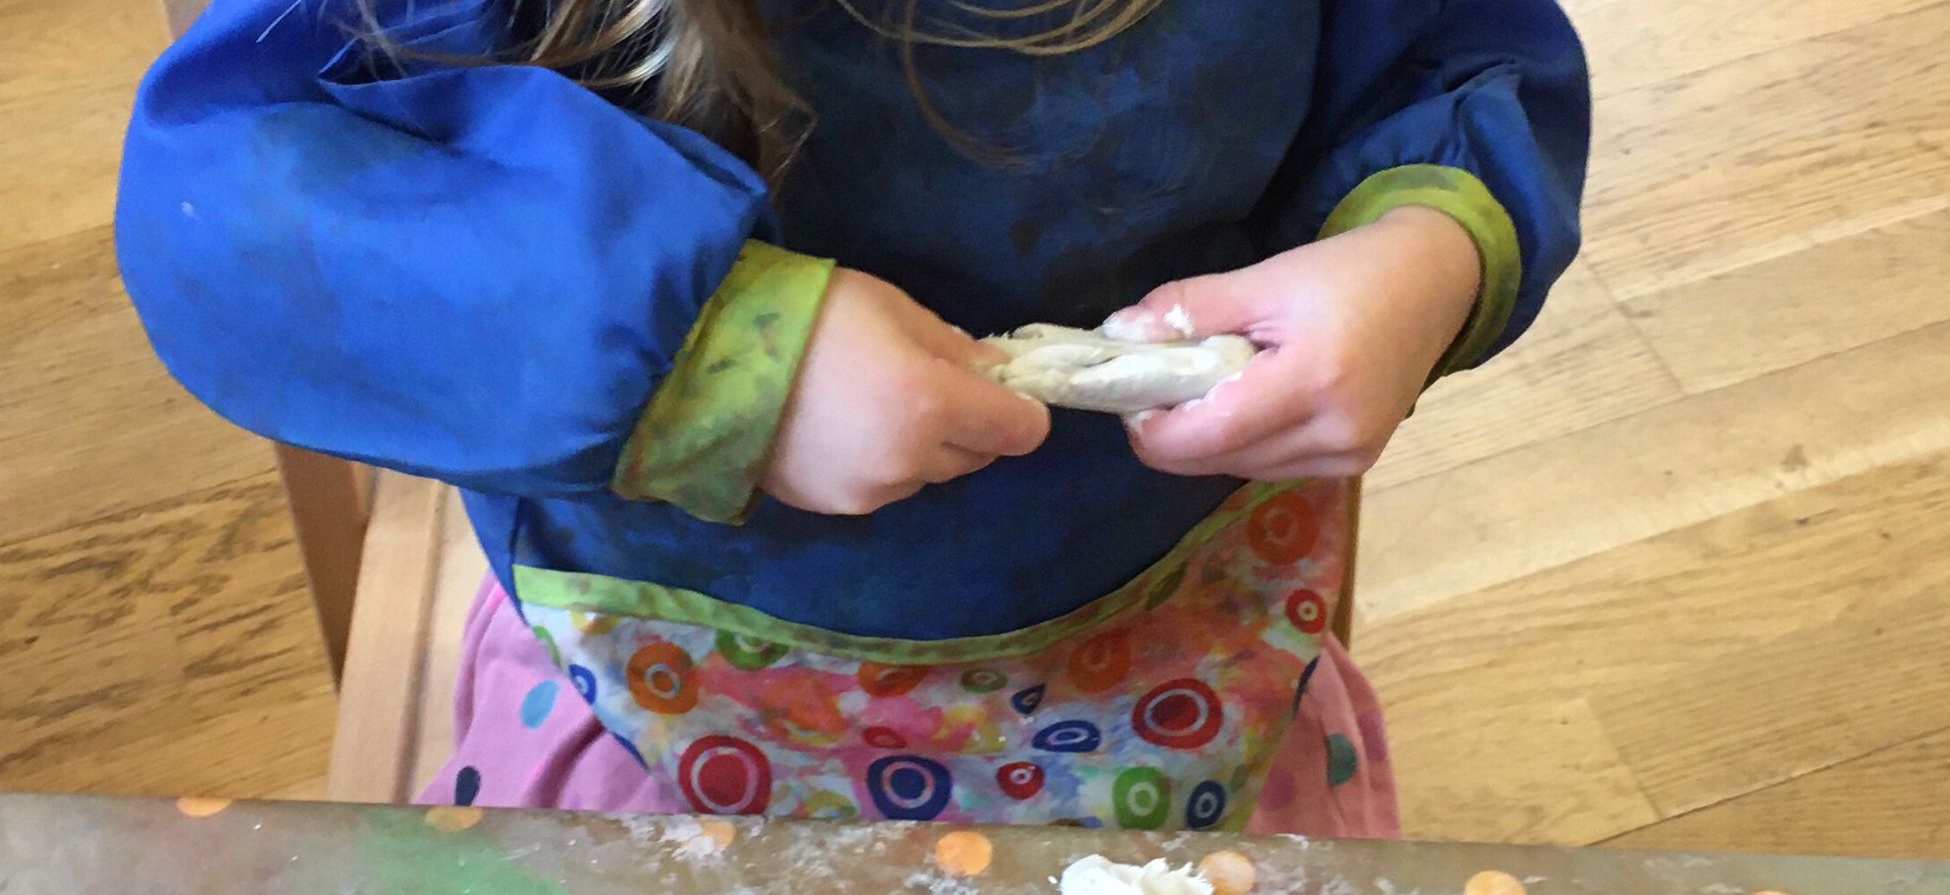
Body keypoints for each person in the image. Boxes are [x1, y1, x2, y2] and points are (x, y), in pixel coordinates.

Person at [118, 0, 1588, 835]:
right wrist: (710, 356)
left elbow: (1455, 56)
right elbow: (240, 210)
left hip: (1193, 663)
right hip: (661, 706)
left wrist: (1428, 246)